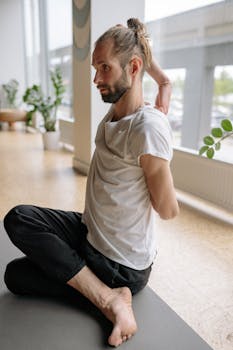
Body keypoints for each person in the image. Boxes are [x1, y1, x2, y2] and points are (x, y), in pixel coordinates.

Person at [3, 18, 179, 347]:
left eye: (104, 68)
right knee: (17, 227)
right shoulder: (117, 111)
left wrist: (159, 164)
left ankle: (110, 299)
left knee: (21, 276)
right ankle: (104, 293)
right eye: (95, 68)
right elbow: (153, 74)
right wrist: (154, 67)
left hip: (119, 264)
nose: (96, 78)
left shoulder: (148, 129)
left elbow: (168, 210)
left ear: (134, 66)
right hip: (91, 232)